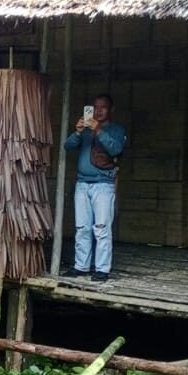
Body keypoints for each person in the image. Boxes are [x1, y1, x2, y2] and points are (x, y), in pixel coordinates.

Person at [62, 94, 128, 281]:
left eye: (103, 107)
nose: (98, 111)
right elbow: (67, 146)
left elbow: (116, 150)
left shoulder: (116, 130)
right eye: (95, 107)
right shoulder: (85, 130)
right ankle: (81, 266)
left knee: (101, 228)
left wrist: (99, 131)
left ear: (111, 110)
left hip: (103, 184)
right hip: (83, 184)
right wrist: (77, 132)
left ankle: (102, 269)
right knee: (82, 227)